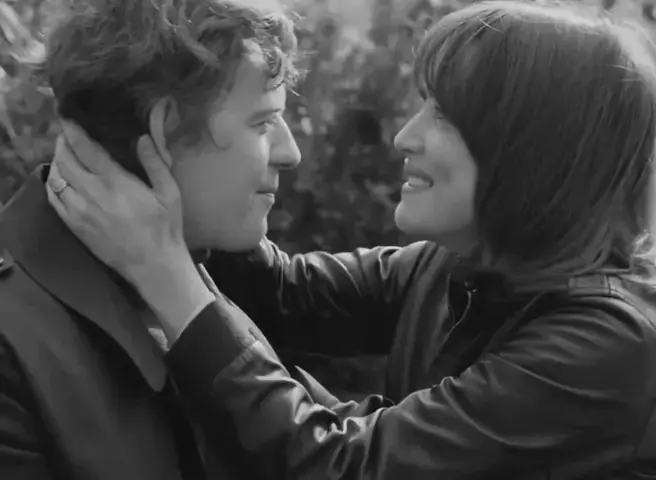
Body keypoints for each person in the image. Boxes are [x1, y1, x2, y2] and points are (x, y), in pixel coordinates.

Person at [49, 1, 656, 478]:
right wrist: (171, 183)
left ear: (535, 156)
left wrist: (164, 272)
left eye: (445, 116)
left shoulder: (607, 344)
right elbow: (285, 296)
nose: (404, 137)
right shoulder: (461, 267)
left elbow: (345, 468)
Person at [0, 0, 304, 478]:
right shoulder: (12, 339)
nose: (290, 152)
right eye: (263, 122)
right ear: (164, 129)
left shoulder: (192, 274)